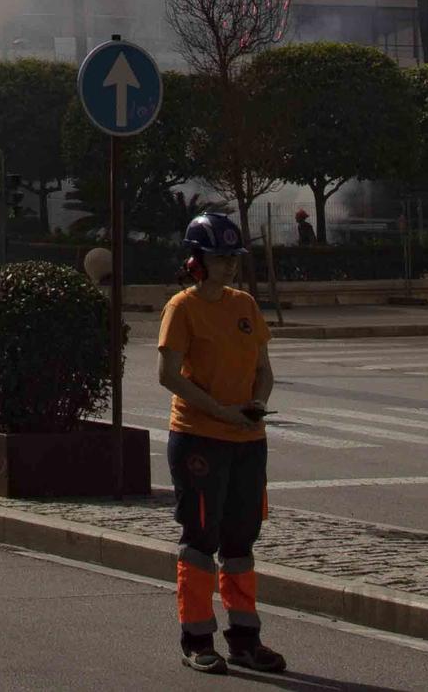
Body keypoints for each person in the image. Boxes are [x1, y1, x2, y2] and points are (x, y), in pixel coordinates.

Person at [157, 213, 286, 675]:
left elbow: (265, 367)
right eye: (218, 257)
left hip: (248, 438)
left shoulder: (245, 305)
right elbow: (168, 375)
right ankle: (195, 639)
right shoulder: (182, 307)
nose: (228, 265)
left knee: (240, 540)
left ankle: (245, 640)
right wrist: (220, 411)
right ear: (196, 259)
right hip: (199, 439)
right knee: (200, 539)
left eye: (233, 257)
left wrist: (257, 401)